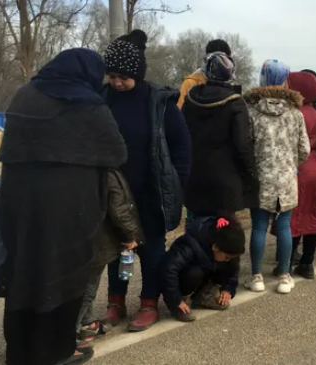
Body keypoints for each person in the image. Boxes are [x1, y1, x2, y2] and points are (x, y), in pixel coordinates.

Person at [0, 49, 127, 365]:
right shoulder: (88, 104)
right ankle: (56, 352)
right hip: (71, 210)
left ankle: (21, 353)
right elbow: (118, 153)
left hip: (21, 206)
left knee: (25, 275)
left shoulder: (23, 96)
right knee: (63, 277)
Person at [103, 30, 192, 332]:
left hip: (150, 192)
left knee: (151, 251)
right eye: (112, 76)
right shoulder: (103, 100)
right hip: (113, 194)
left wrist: (176, 185)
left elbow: (182, 148)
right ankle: (115, 302)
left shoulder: (159, 102)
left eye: (123, 77)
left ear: (138, 74)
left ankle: (149, 303)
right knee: (115, 251)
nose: (117, 82)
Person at [243, 59, 310, 294]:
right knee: (284, 227)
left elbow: (246, 147)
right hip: (286, 178)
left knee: (259, 227)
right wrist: (291, 164)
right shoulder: (295, 113)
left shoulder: (251, 111)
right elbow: (305, 149)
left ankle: (257, 276)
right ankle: (284, 275)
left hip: (261, 179)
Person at [182, 52, 257, 220]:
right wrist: (251, 174)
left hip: (195, 176)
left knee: (194, 228)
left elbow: (182, 136)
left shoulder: (190, 99)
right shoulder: (235, 103)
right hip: (225, 180)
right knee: (223, 235)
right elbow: (242, 145)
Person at [76, 167, 142, 347]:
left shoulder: (74, 165)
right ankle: (69, 336)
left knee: (82, 282)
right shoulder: (106, 169)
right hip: (98, 239)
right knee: (87, 289)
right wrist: (130, 235)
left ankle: (87, 324)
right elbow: (119, 207)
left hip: (75, 237)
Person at [286, 71, 316, 279]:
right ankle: (308, 263)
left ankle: (287, 261)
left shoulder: (295, 112)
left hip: (298, 168)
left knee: (294, 216)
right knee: (313, 214)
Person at [159, 216, 244, 322]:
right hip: (185, 279)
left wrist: (228, 288)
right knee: (194, 273)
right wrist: (175, 300)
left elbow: (234, 267)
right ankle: (181, 304)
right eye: (227, 257)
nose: (228, 260)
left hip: (206, 273)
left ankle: (204, 296)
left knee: (228, 264)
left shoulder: (227, 248)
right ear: (215, 247)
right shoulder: (189, 245)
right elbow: (168, 270)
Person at [177, 39, 233, 109]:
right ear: (207, 60)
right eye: (216, 61)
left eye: (225, 62)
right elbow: (180, 112)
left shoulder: (230, 87)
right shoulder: (190, 84)